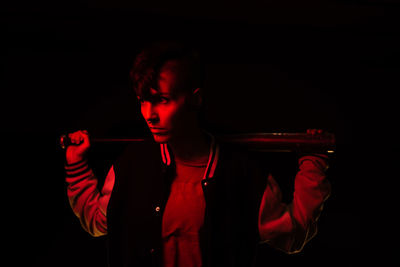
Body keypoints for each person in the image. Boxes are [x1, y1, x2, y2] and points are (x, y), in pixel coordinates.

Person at [64, 41, 331, 267]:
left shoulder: (241, 175)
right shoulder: (130, 167)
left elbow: (293, 234)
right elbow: (98, 222)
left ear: (195, 99)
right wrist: (75, 164)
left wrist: (313, 164)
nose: (149, 115)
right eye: (143, 100)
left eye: (162, 100)